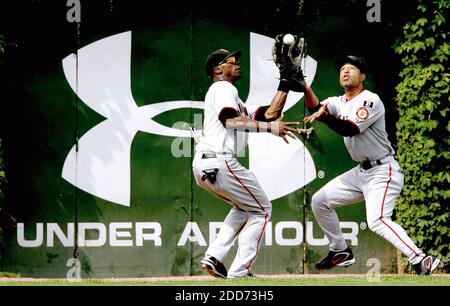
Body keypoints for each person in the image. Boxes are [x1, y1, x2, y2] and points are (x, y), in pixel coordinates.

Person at [302, 55, 440, 275]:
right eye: (342, 69)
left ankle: (421, 259)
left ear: (362, 76)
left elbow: (349, 129)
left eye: (352, 68)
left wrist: (324, 116)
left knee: (377, 220)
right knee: (320, 201)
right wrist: (304, 86)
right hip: (361, 172)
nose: (345, 71)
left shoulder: (370, 100)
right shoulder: (339, 101)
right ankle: (340, 251)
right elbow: (315, 107)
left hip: (383, 171)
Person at [192, 48, 302, 278]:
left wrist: (285, 82)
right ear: (218, 69)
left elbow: (271, 113)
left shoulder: (232, 96)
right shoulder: (222, 88)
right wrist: (271, 128)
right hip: (220, 160)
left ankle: (214, 256)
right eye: (231, 60)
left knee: (244, 208)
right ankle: (240, 272)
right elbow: (231, 121)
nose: (237, 63)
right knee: (262, 210)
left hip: (206, 165)